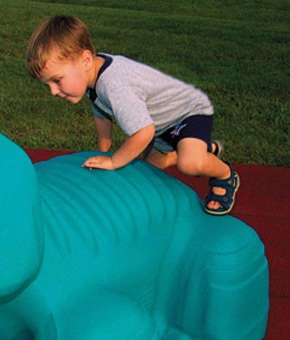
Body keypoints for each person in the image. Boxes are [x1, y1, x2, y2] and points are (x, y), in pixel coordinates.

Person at [25, 15, 240, 215]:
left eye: (57, 80)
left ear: (86, 60)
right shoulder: (92, 75)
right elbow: (101, 115)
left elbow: (143, 133)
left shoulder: (114, 85)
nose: (53, 91)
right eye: (48, 84)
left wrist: (113, 161)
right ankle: (199, 147)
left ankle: (225, 176)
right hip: (162, 126)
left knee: (190, 163)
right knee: (144, 173)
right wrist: (102, 152)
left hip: (186, 113)